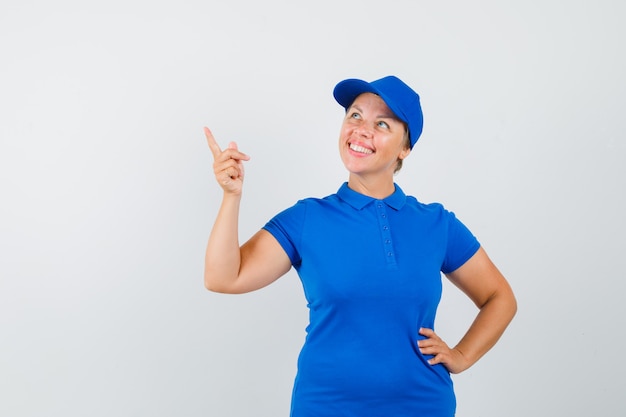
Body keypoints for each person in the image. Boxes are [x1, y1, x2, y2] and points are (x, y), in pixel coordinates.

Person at [203, 75, 517, 417]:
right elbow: (224, 278)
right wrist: (231, 196)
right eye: (355, 115)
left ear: (405, 148)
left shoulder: (437, 224)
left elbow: (500, 298)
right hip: (326, 407)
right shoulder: (307, 219)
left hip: (423, 405)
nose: (362, 129)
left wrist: (462, 355)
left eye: (381, 123)